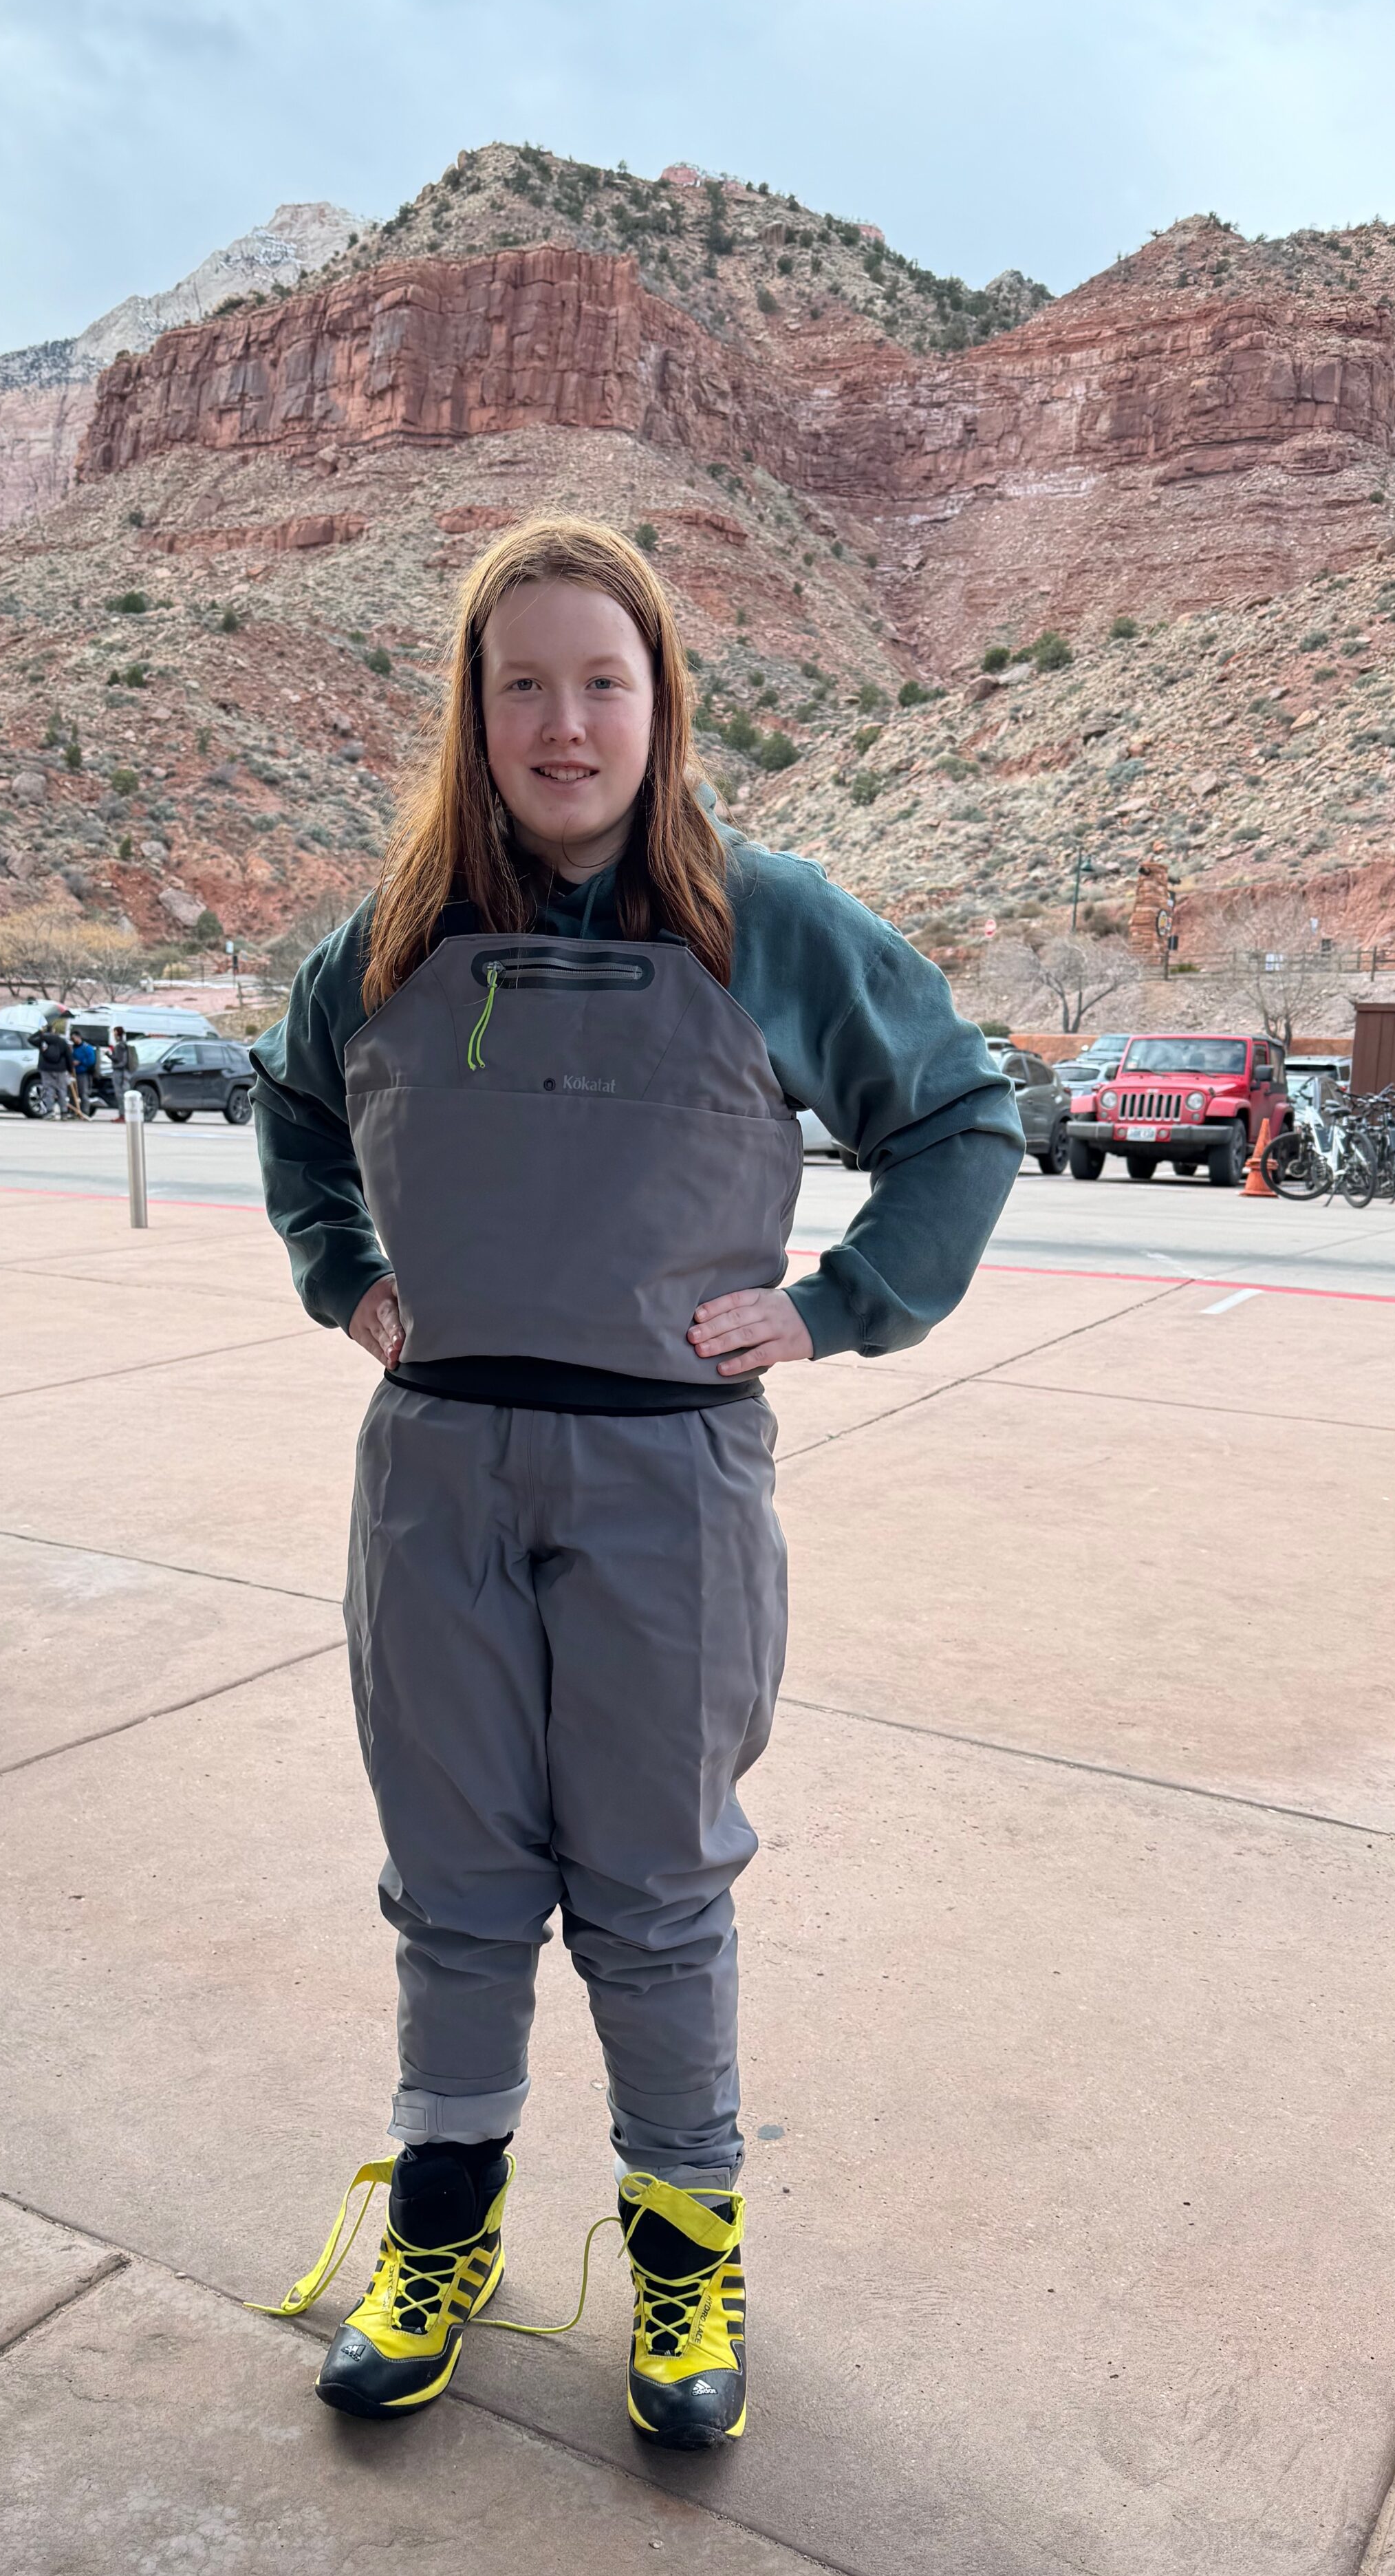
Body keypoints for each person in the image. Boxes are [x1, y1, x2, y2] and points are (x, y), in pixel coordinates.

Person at [248, 517, 1020, 2447]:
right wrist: (343, 1274)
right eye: (524, 684)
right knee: (455, 1893)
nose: (564, 723)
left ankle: (685, 2271)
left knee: (658, 1897)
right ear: (475, 712)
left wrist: (841, 1308)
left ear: (662, 703)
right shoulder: (394, 936)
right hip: (434, 1481)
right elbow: (287, 1107)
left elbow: (962, 1119)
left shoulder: (768, 924)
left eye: (604, 681)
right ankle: (444, 2237)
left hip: (666, 1491)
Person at [35, 1013, 74, 1116]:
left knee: (49, 1091)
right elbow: (68, 1056)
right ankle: (64, 1112)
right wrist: (70, 1070)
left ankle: (50, 1112)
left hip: (46, 1069)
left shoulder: (43, 1040)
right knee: (62, 1091)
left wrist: (40, 1032)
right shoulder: (62, 1042)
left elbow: (30, 1039)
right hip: (61, 1069)